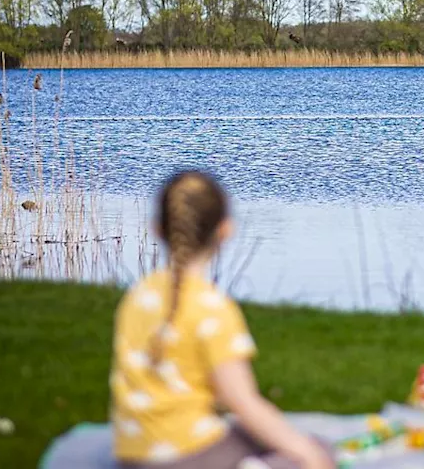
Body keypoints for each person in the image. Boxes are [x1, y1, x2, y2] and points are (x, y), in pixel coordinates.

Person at [110, 171, 334, 469]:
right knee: (315, 449)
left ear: (157, 229)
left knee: (259, 439)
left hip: (134, 455)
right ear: (225, 230)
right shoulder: (212, 308)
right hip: (189, 455)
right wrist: (308, 455)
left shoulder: (137, 297)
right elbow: (242, 402)